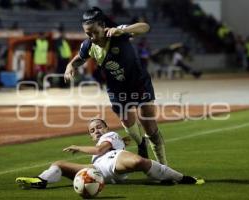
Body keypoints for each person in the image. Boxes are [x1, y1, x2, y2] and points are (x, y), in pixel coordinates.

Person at [64, 7, 166, 164]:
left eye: (94, 32)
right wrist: (70, 65)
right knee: (127, 123)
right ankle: (140, 143)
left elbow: (145, 27)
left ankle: (163, 166)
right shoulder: (88, 45)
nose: (91, 37)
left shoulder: (117, 34)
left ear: (102, 26)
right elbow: (80, 57)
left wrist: (122, 30)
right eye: (87, 33)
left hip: (138, 83)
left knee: (149, 127)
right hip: (117, 89)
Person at [15, 119, 204, 188]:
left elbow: (99, 150)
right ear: (90, 135)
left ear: (106, 128)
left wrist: (78, 147)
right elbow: (98, 152)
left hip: (114, 160)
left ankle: (182, 178)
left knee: (141, 162)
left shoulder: (111, 135)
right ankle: (40, 180)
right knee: (60, 164)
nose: (96, 131)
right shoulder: (104, 142)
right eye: (92, 130)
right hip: (99, 170)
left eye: (99, 127)